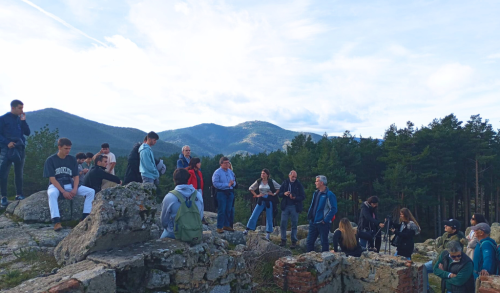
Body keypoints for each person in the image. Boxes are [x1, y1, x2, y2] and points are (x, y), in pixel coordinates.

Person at [43, 138, 95, 231]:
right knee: (52, 194)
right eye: (65, 148)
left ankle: (84, 218)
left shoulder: (72, 159)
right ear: (59, 147)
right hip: (56, 185)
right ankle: (56, 221)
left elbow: (76, 176)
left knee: (91, 192)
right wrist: (63, 192)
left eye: (69, 148)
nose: (68, 150)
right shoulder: (51, 160)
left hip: (69, 183)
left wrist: (75, 189)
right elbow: (52, 178)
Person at [0, 100, 30, 207]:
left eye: (22, 108)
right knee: (3, 173)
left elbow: (27, 132)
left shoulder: (20, 119)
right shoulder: (3, 119)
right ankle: (3, 197)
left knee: (19, 173)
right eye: (20, 108)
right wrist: (7, 142)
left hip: (20, 148)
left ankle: (19, 194)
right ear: (13, 108)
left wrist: (23, 121)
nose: (22, 110)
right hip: (7, 149)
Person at [160, 168, 203, 240]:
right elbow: (200, 216)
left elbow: (164, 222)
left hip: (175, 234)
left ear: (174, 179)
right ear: (188, 179)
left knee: (161, 241)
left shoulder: (170, 197)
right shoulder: (198, 195)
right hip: (194, 233)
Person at [424, 219, 467, 290]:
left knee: (448, 283)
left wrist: (441, 249)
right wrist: (441, 249)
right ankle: (426, 289)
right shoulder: (446, 234)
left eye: (448, 225)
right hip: (439, 260)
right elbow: (437, 245)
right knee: (424, 267)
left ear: (454, 229)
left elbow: (446, 252)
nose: (445, 226)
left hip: (450, 264)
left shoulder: (456, 239)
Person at [243, 169, 281, 241]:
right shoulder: (259, 181)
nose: (262, 175)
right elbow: (251, 188)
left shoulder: (271, 181)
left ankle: (268, 233)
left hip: (269, 200)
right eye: (261, 173)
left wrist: (274, 194)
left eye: (263, 173)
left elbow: (279, 187)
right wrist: (256, 195)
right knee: (254, 214)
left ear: (267, 174)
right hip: (261, 200)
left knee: (269, 217)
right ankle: (247, 229)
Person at [306, 175, 337, 252]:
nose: (315, 183)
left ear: (321, 183)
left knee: (324, 242)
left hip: (323, 223)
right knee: (309, 242)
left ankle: (325, 260)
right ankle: (309, 260)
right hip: (313, 222)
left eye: (317, 181)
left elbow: (333, 209)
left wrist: (325, 220)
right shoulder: (316, 193)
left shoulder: (329, 194)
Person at [277, 170, 305, 248]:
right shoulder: (285, 183)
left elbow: (303, 196)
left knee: (294, 224)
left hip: (294, 206)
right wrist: (284, 194)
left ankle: (293, 241)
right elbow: (279, 194)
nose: (294, 178)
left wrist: (295, 198)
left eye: (295, 177)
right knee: (283, 223)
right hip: (285, 206)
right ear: (289, 176)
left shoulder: (298, 184)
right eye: (293, 177)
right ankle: (283, 240)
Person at [212, 156, 236, 233]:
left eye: (228, 163)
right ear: (221, 163)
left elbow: (234, 181)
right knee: (221, 210)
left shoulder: (230, 172)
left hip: (230, 192)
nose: (227, 164)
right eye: (225, 163)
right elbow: (215, 183)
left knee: (228, 209)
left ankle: (226, 225)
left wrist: (232, 184)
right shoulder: (217, 172)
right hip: (221, 193)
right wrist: (227, 185)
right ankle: (219, 226)